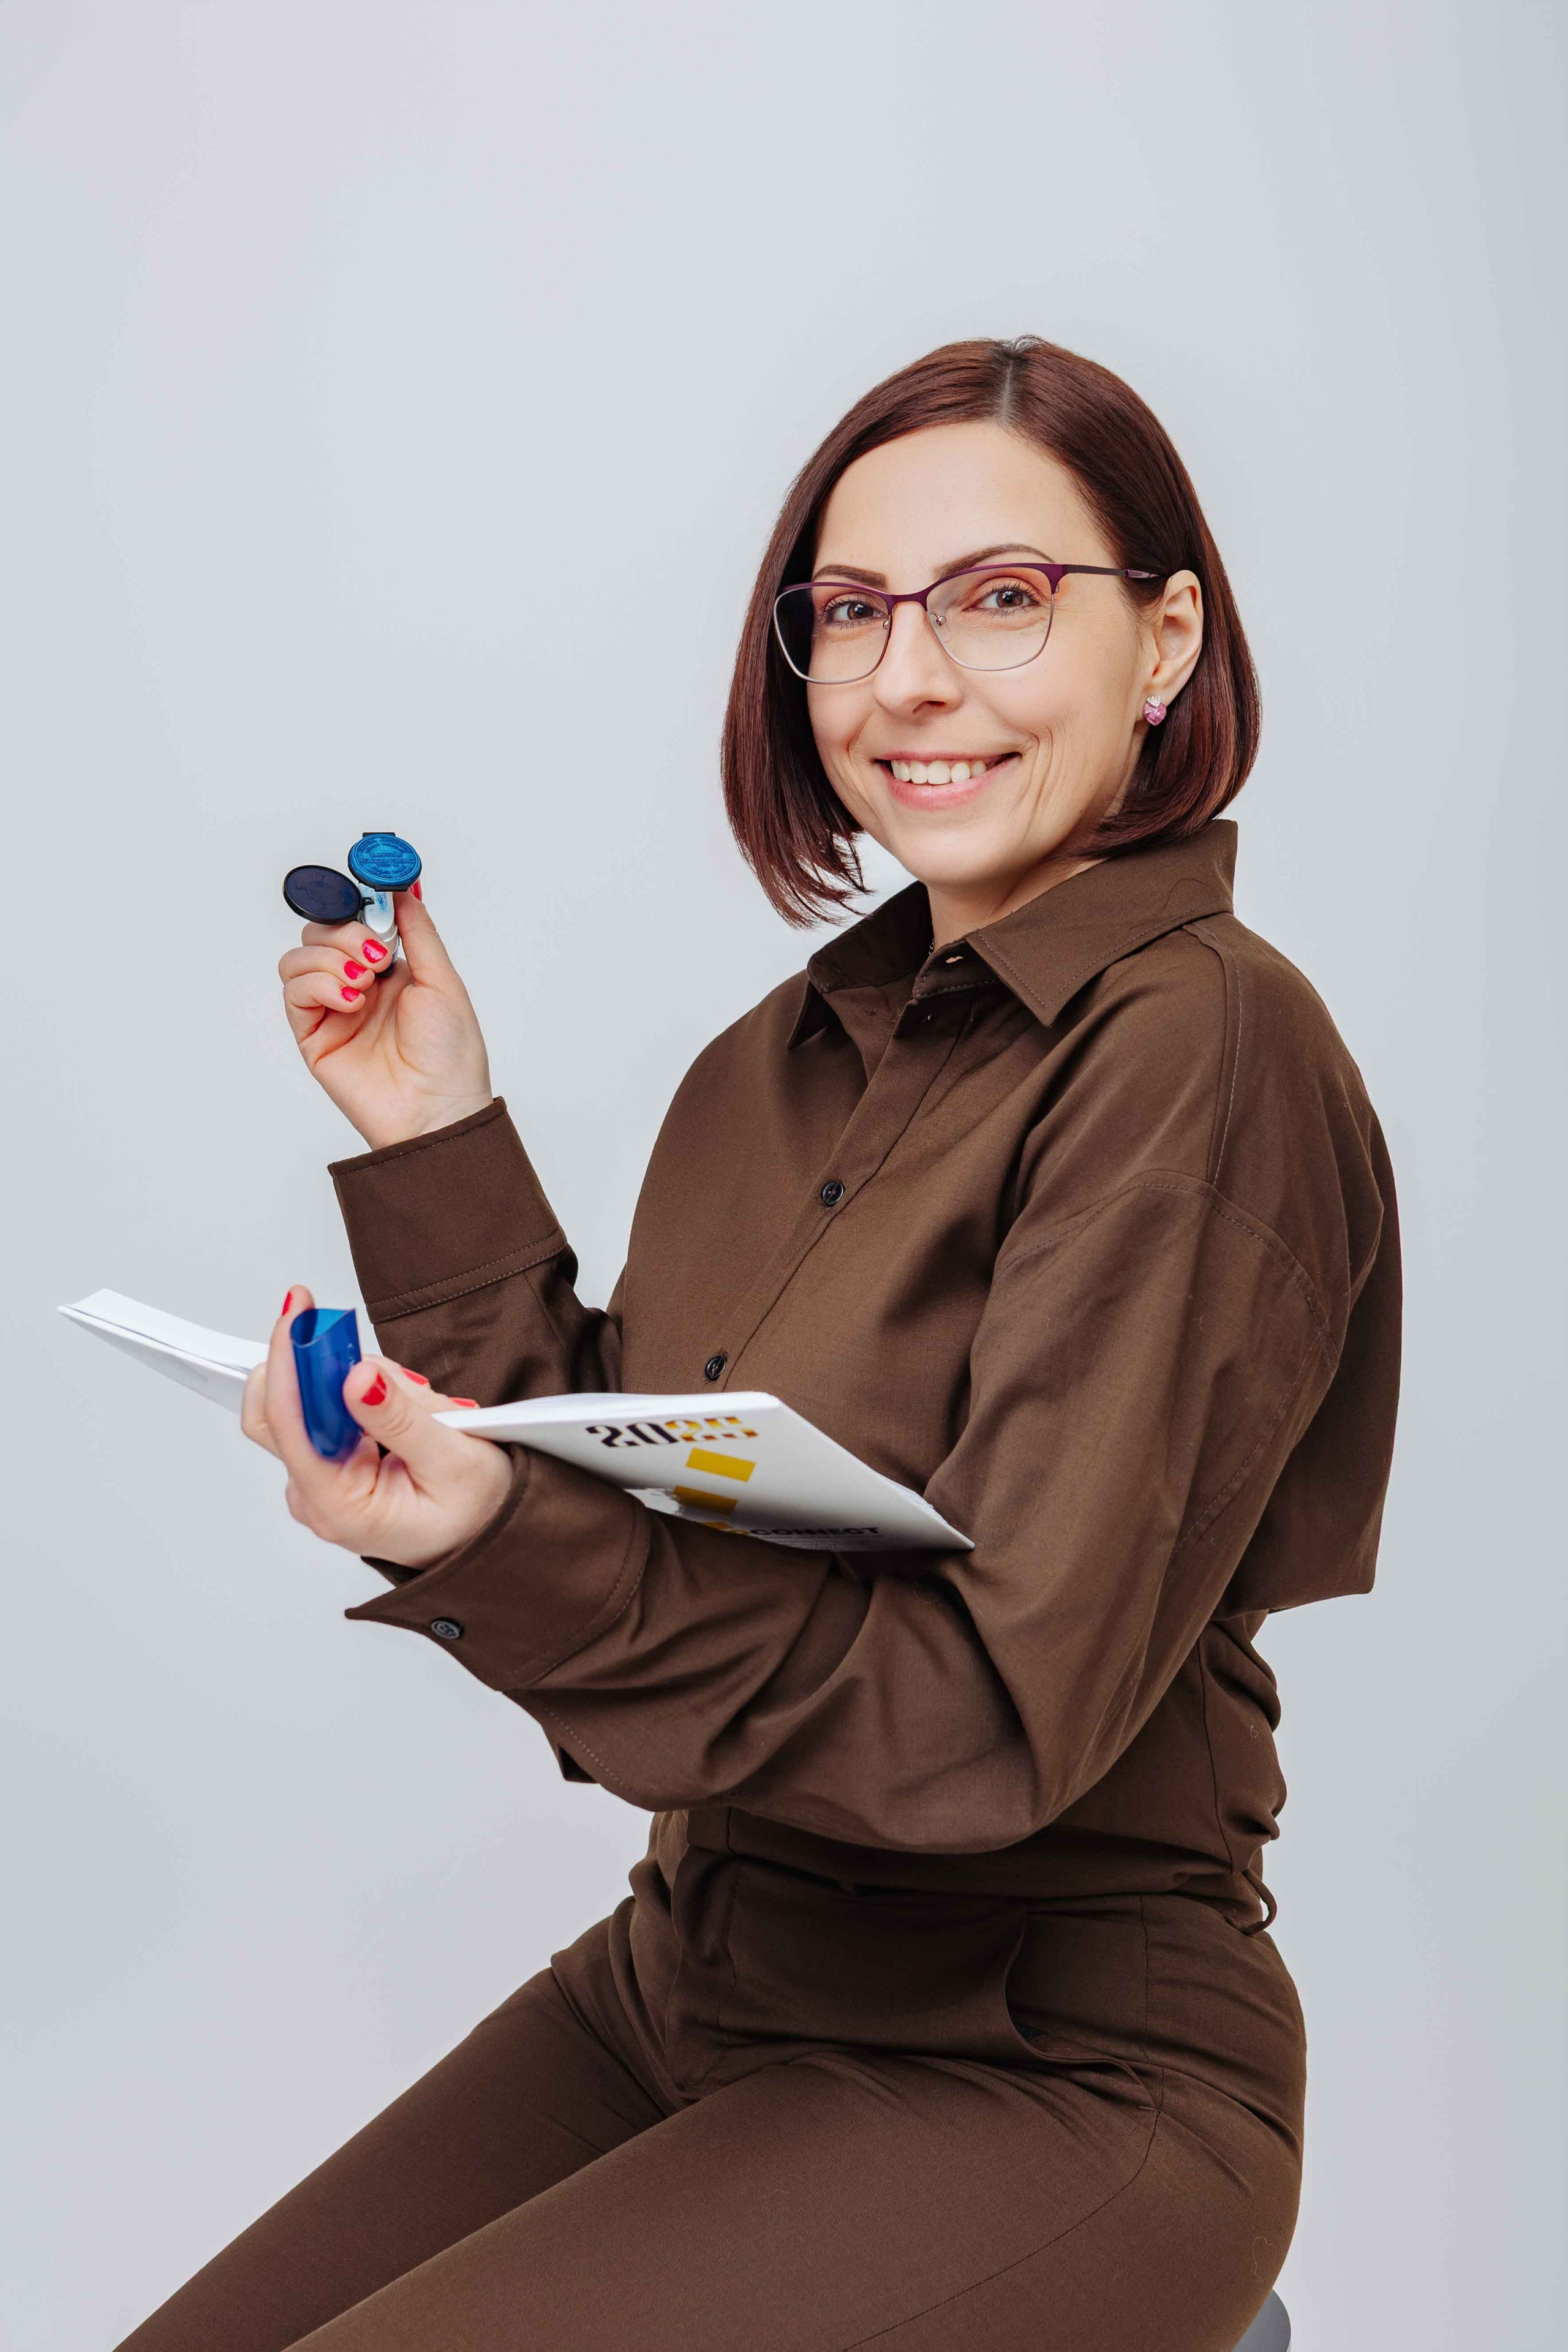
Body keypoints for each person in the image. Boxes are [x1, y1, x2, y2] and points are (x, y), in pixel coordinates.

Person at [118, 336, 1400, 2352]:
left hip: (1047, 2064)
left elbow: (989, 1723)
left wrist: (480, 1548)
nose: (908, 676)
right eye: (851, 611)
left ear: (1165, 641)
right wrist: (441, 1128)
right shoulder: (780, 1065)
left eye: (999, 598)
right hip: (691, 1983)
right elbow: (635, 1466)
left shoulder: (1205, 1044)